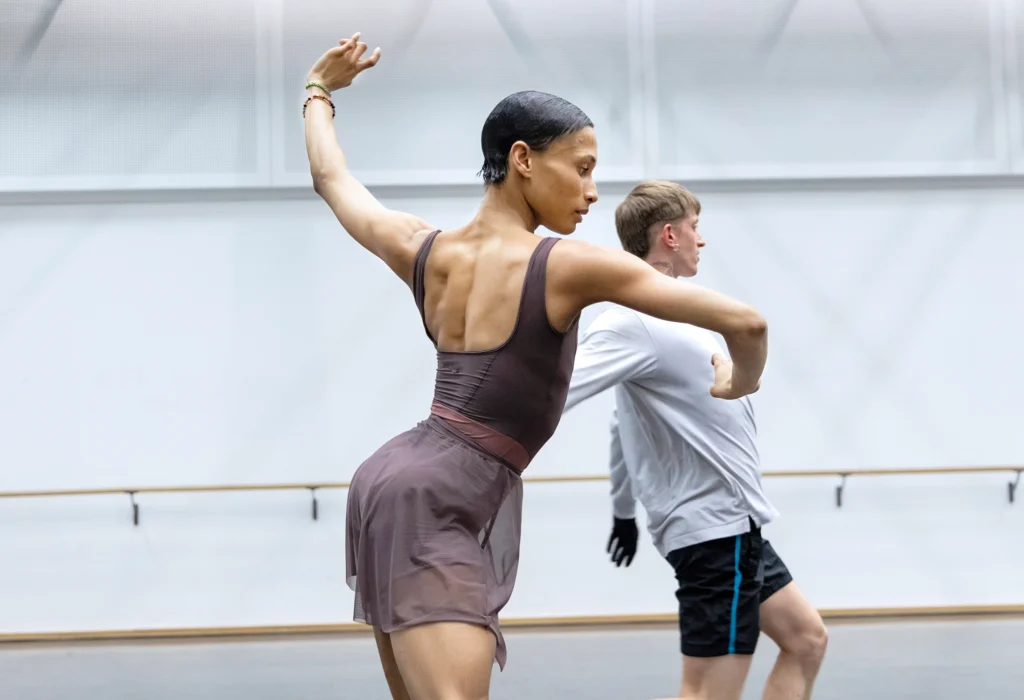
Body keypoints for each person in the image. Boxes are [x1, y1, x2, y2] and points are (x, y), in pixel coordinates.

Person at [304, 35, 769, 700]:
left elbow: (333, 180)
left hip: (397, 480)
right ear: (522, 159)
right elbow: (747, 324)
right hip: (438, 497)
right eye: (580, 168)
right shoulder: (567, 265)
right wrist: (740, 381)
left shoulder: (422, 248)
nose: (591, 191)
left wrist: (318, 90)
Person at [561, 180, 828, 700]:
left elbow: (622, 427)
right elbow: (553, 391)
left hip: (739, 524)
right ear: (669, 235)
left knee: (807, 639)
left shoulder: (682, 317)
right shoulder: (629, 322)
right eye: (694, 228)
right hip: (711, 534)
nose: (700, 240)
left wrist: (622, 509)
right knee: (707, 691)